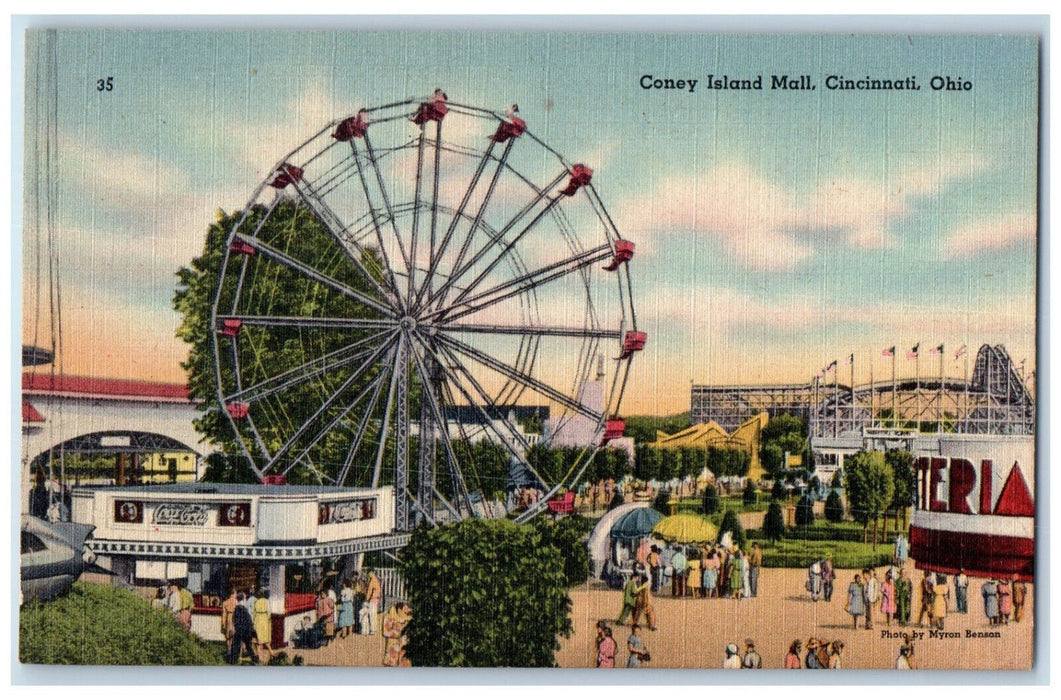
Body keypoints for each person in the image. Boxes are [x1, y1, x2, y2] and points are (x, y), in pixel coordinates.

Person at [228, 592, 257, 664]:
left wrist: (236, 628)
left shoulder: (237, 609)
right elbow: (249, 620)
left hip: (239, 630)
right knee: (248, 646)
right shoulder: (244, 609)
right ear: (243, 599)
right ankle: (254, 659)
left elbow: (234, 620)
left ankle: (233, 660)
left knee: (236, 645)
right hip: (246, 630)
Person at [382, 601, 413, 667]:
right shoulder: (391, 613)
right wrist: (400, 632)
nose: (406, 609)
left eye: (408, 607)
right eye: (404, 606)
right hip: (392, 654)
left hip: (405, 656)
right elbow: (386, 632)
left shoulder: (410, 619)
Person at [253, 589, 272, 664]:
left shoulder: (256, 602)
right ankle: (268, 655)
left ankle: (259, 657)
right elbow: (269, 612)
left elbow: (254, 613)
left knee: (258, 641)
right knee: (265, 639)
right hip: (264, 620)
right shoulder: (266, 601)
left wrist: (254, 621)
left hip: (257, 620)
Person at [363, 569, 382, 635]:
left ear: (371, 573)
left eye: (368, 574)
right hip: (374, 599)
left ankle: (373, 630)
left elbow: (373, 591)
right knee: (373, 614)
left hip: (372, 599)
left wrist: (369, 598)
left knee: (372, 614)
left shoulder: (373, 580)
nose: (368, 575)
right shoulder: (374, 580)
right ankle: (373, 629)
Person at [220, 589, 238, 655]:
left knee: (227, 636)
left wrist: (223, 623)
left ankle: (228, 650)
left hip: (228, 618)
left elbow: (224, 614)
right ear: (233, 594)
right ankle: (233, 651)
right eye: (236, 593)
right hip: (234, 618)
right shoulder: (236, 602)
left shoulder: (225, 602)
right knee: (233, 635)